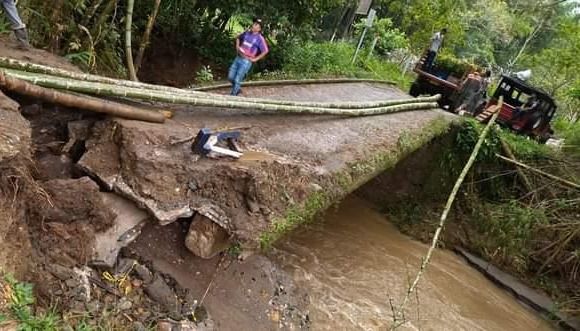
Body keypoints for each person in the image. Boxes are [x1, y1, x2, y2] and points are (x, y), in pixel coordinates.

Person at [228, 17, 269, 96]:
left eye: (256, 25)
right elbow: (238, 38)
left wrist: (255, 59)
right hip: (238, 57)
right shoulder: (246, 33)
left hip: (246, 61)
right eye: (254, 24)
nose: (254, 25)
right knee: (230, 77)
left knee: (237, 80)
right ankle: (238, 88)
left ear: (259, 29)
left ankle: (232, 96)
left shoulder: (260, 39)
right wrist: (237, 47)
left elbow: (265, 51)